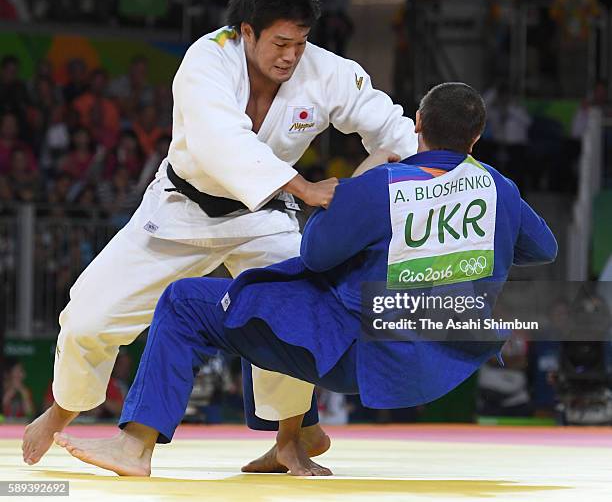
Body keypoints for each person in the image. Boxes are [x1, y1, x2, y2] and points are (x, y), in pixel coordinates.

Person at [23, 0, 417, 466]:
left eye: (300, 42)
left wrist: (445, 174)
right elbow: (220, 142)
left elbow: (392, 129)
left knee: (292, 312)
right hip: (181, 209)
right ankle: (62, 410)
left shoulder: (327, 72)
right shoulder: (206, 60)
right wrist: (303, 187)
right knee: (88, 316)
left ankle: (289, 439)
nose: (292, 56)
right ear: (247, 31)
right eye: (280, 43)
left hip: (263, 216)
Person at [53, 82, 558, 476]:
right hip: (439, 360)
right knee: (280, 300)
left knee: (192, 301)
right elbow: (543, 249)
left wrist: (356, 189)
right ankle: (293, 440)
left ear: (419, 123)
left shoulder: (382, 185)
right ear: (477, 138)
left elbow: (315, 254)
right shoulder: (499, 189)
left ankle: (136, 444)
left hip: (359, 357)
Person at [550, 0, 600, 97]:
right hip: (565, 41)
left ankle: (579, 101)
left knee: (581, 73)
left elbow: (596, 15)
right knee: (565, 73)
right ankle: (567, 99)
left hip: (582, 41)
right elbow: (555, 20)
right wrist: (558, 39)